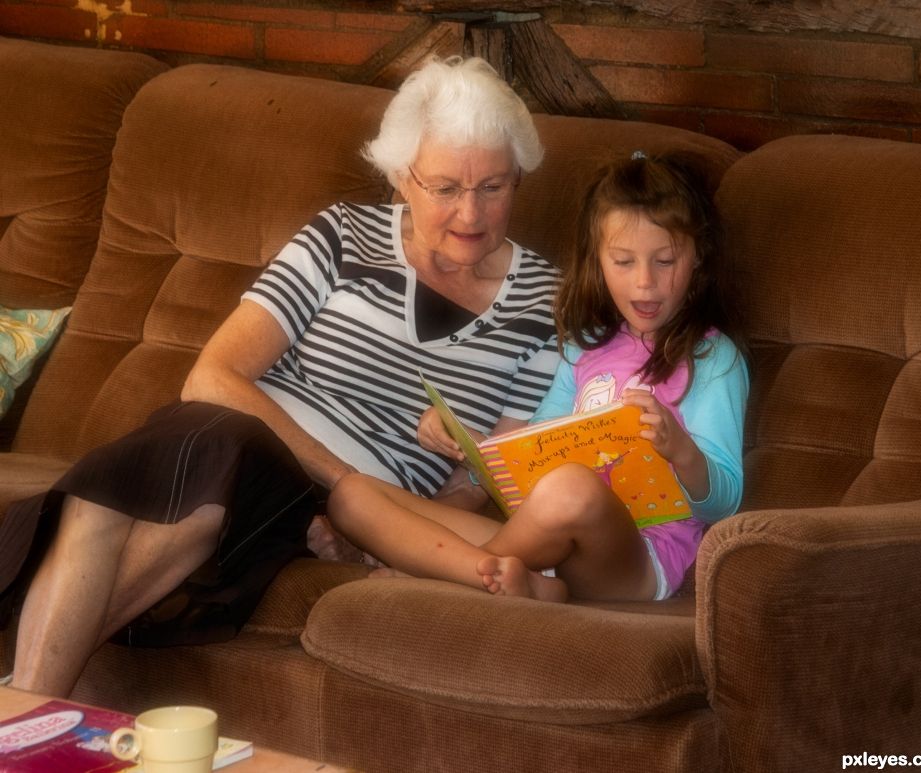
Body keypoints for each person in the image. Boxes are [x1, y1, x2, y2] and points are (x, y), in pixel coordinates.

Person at [0, 55, 562, 697]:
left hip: (336, 499)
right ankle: (28, 718)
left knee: (188, 490)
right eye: (446, 188)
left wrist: (387, 533)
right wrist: (342, 479)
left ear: (520, 178)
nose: (470, 213)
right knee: (139, 485)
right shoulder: (341, 235)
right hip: (242, 441)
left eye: (493, 186)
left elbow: (488, 475)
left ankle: (21, 712)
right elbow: (212, 376)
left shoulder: (546, 305)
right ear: (402, 177)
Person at [327, 151, 749, 603]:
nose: (645, 282)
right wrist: (471, 446)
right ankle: (532, 585)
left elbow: (725, 502)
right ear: (597, 262)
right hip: (547, 538)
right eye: (624, 262)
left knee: (570, 488)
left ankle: (443, 580)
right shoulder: (583, 346)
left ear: (697, 260)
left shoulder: (712, 359)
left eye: (664, 261)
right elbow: (538, 452)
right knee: (352, 493)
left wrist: (679, 450)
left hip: (638, 559)